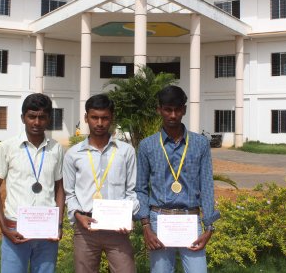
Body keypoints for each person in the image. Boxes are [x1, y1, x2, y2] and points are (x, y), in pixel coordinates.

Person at [135, 85, 220, 273]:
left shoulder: (200, 144)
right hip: (159, 219)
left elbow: (206, 185)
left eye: (178, 109)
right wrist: (146, 226)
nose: (173, 115)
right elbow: (140, 188)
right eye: (167, 109)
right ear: (159, 110)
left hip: (190, 219)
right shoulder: (147, 145)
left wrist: (209, 227)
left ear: (184, 110)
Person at [0, 93, 64, 273]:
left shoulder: (56, 148)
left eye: (42, 117)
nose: (37, 122)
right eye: (32, 116)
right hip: (15, 229)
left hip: (47, 231)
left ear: (48, 119)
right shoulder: (7, 147)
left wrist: (58, 225)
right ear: (23, 118)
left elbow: (60, 190)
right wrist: (4, 228)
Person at [63, 94, 139, 273]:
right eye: (94, 117)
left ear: (112, 118)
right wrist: (77, 215)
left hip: (117, 229)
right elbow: (69, 192)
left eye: (105, 118)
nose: (99, 123)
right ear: (86, 118)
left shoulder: (126, 151)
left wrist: (129, 216)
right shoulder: (73, 154)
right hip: (86, 228)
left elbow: (132, 190)